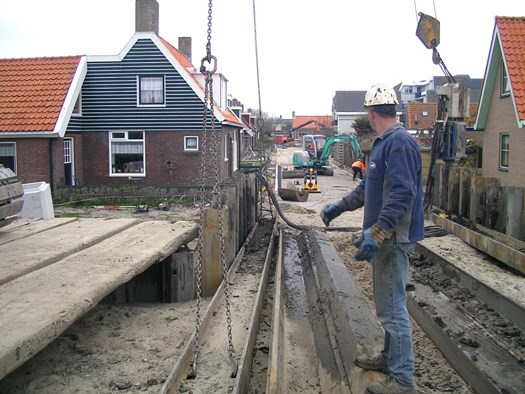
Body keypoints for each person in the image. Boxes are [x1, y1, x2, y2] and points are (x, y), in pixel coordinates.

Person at [320, 83, 424, 394]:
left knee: (392, 309)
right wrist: (341, 206)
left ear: (370, 112)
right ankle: (390, 359)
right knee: (390, 303)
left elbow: (404, 193)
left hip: (393, 238)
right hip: (384, 237)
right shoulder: (381, 144)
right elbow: (368, 188)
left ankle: (404, 380)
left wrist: (378, 231)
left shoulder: (400, 143)